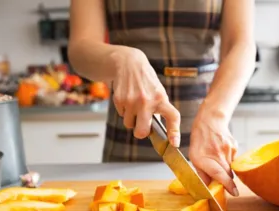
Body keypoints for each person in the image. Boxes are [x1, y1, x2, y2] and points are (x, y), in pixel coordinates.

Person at [69, 0, 255, 197]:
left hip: (209, 122)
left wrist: (216, 115)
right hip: (131, 125)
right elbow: (79, 48)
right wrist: (122, 58)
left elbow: (241, 44)